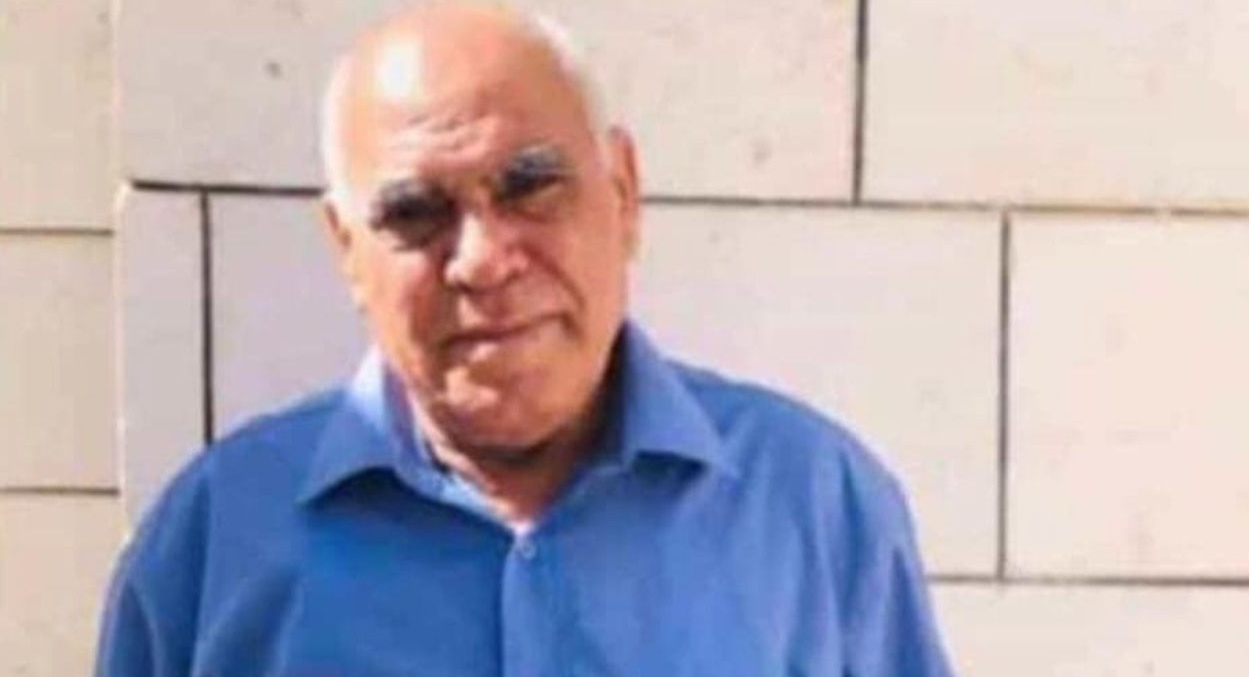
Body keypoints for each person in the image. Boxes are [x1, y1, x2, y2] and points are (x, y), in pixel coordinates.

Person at [96, 3, 957, 675]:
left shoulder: (814, 507)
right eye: (414, 212)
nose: (481, 260)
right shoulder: (213, 545)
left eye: (530, 187)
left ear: (622, 193)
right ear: (347, 250)